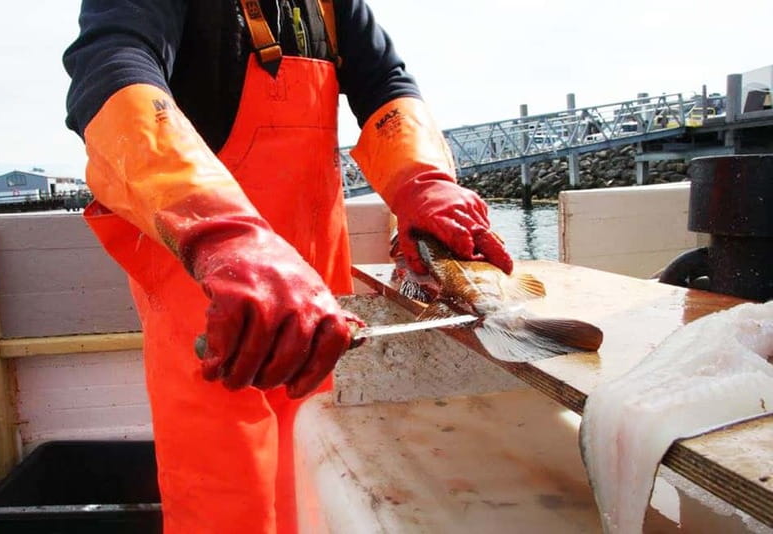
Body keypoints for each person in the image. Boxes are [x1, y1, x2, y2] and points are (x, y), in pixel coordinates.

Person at [63, 1, 513, 532]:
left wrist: (423, 182)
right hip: (211, 302)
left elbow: (385, 82)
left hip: (321, 311)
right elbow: (111, 66)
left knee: (321, 477)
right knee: (223, 495)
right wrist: (222, 233)